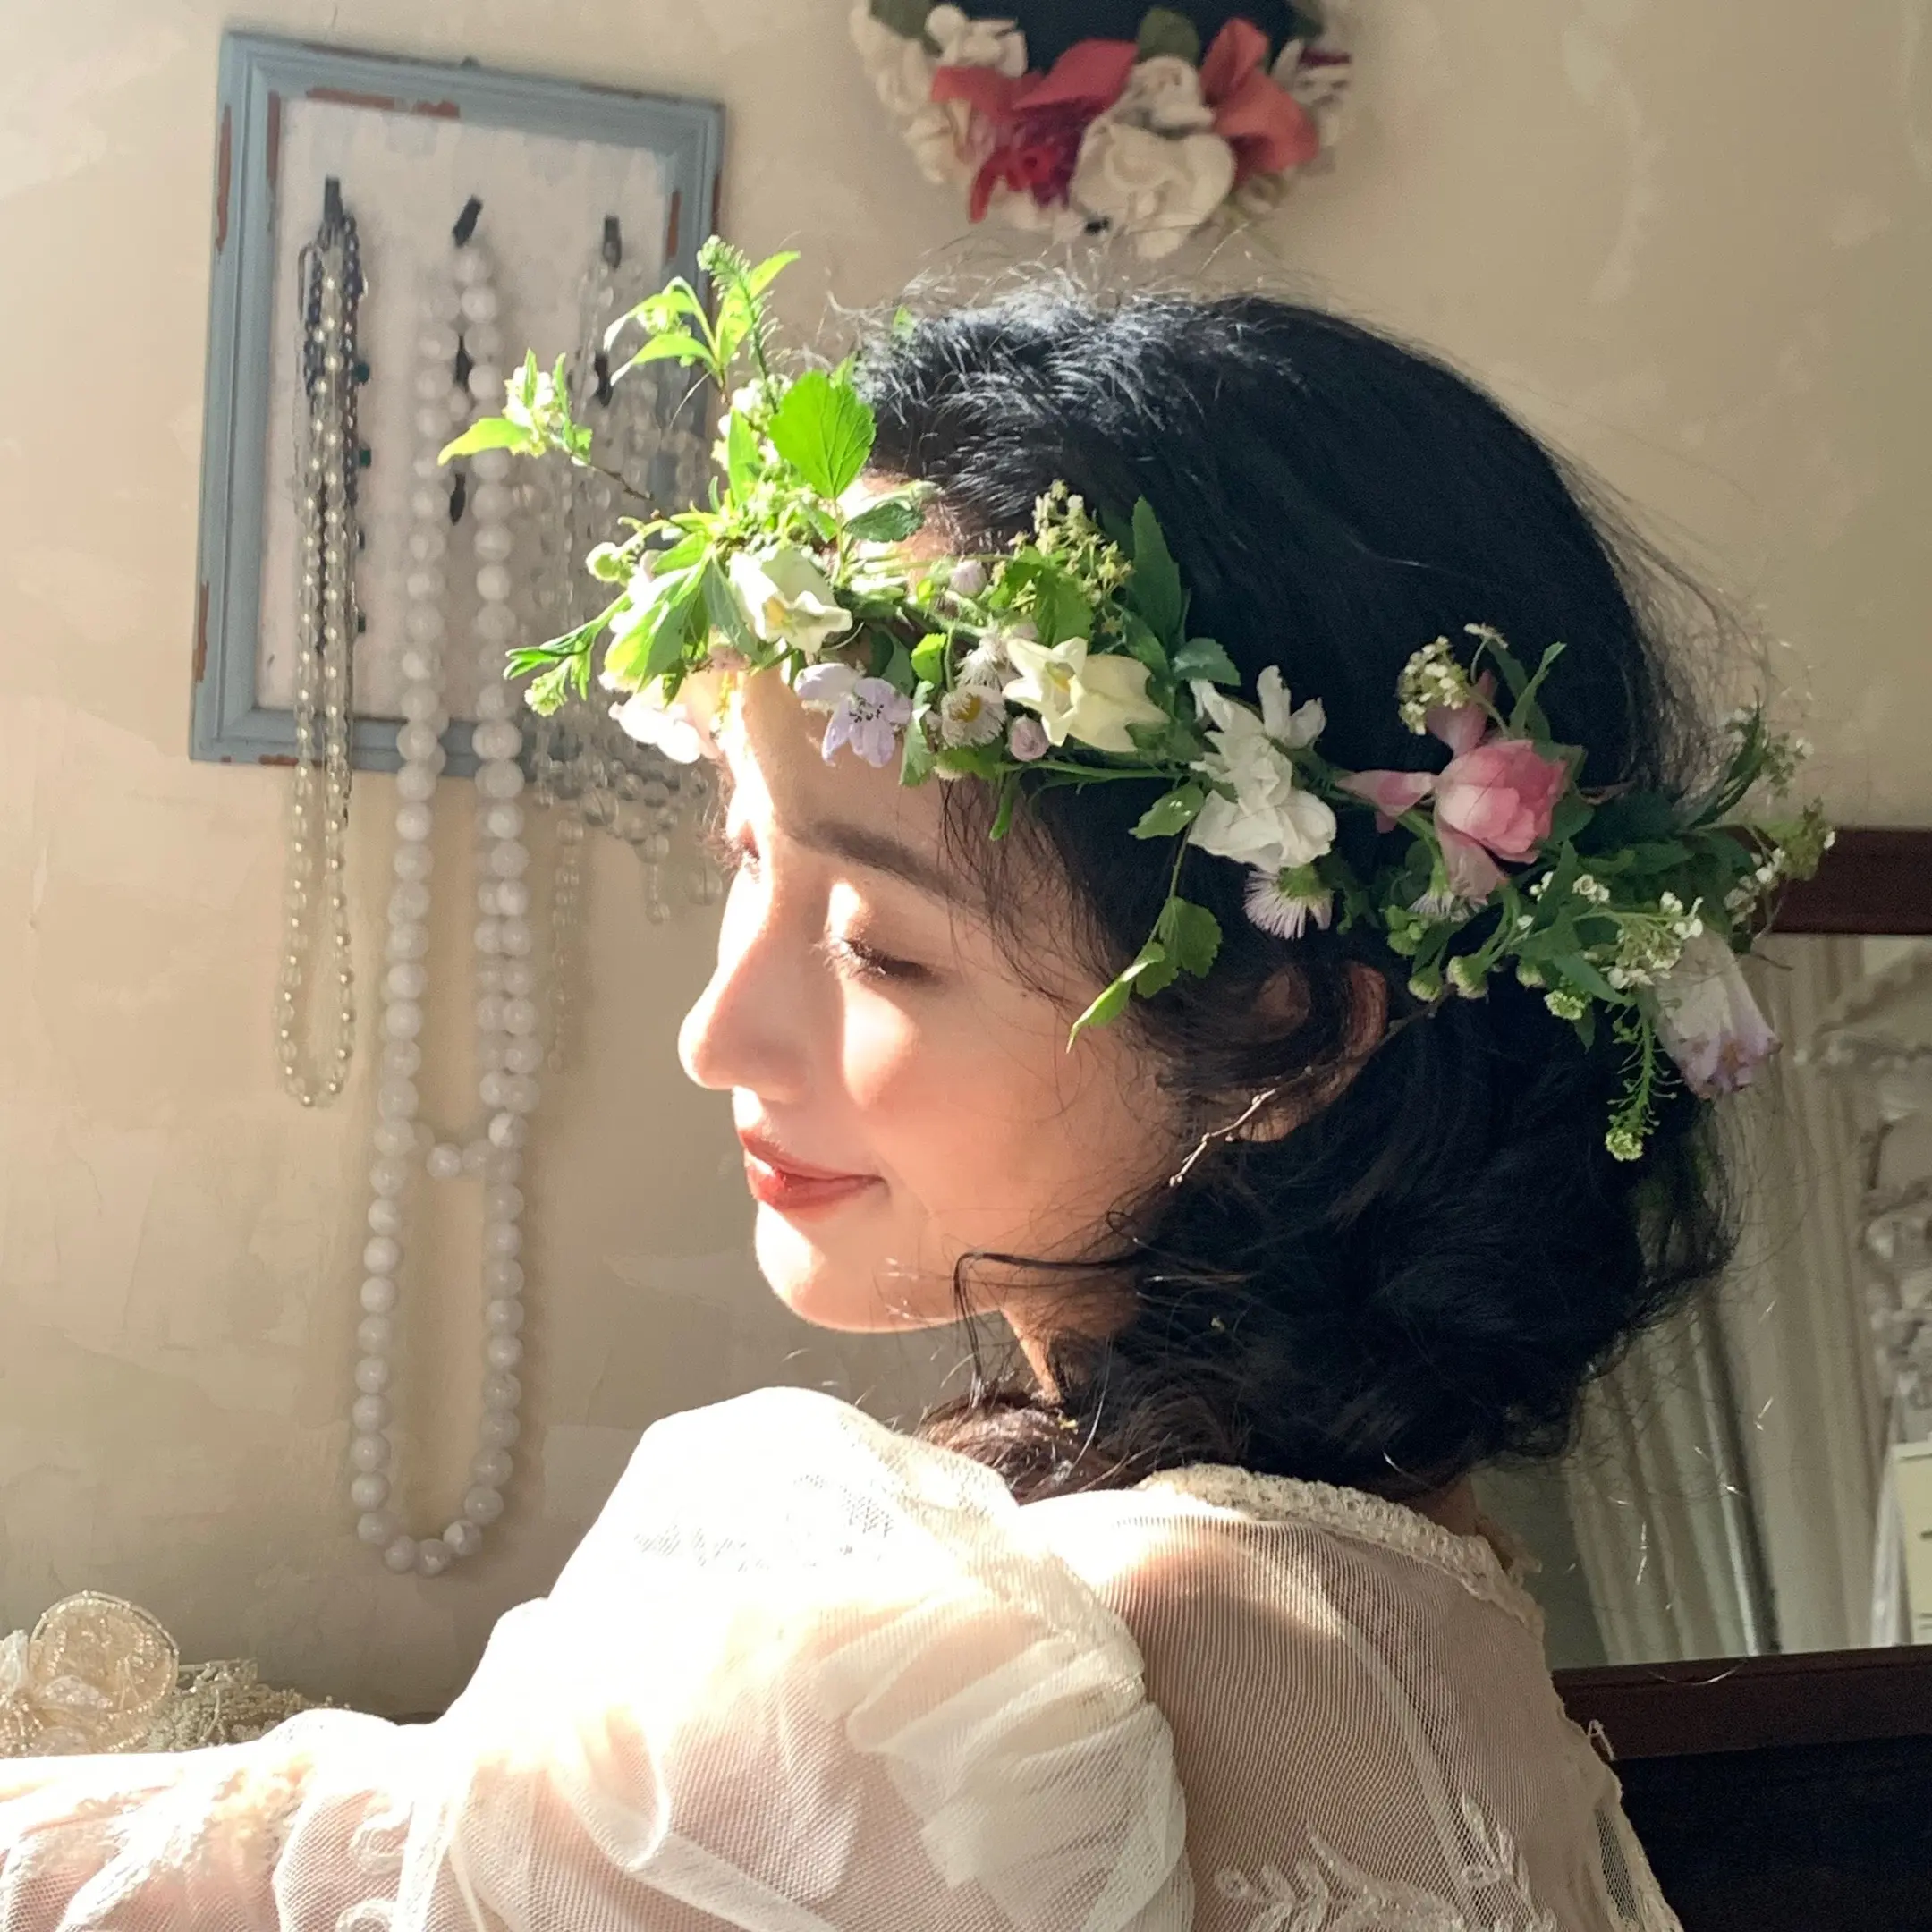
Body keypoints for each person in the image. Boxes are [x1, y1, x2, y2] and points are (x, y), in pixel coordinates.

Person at [0, 275, 1803, 1931]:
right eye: (743, 854)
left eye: (879, 946)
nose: (716, 1034)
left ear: (1289, 1031)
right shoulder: (1443, 1610)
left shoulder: (997, 1713)